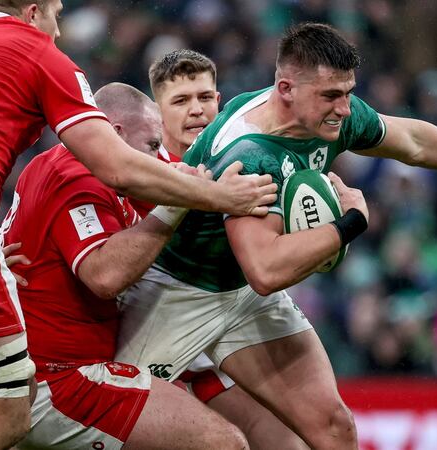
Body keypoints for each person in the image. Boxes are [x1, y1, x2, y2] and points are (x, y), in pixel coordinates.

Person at [0, 1, 275, 449]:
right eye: (56, 14)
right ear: (33, 12)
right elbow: (116, 167)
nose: (57, 31)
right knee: (4, 411)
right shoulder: (36, 52)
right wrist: (218, 196)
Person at [115, 23, 437, 450]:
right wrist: (350, 223)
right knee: (107, 430)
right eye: (331, 96)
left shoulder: (325, 116)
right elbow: (266, 270)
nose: (344, 108)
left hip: (240, 293)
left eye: (347, 93)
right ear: (286, 89)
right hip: (178, 292)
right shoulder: (250, 155)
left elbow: (412, 140)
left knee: (334, 427)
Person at [3, 82, 246, 449]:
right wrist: (176, 204)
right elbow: (104, 276)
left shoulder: (70, 163)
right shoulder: (75, 177)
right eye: (152, 145)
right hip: (63, 381)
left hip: (48, 372)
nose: (159, 156)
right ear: (115, 134)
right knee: (222, 443)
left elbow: (179, 177)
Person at [145, 49, 307, 450]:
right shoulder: (140, 173)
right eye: (180, 101)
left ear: (219, 101)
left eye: (205, 97)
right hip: (153, 338)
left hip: (223, 336)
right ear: (157, 111)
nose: (196, 110)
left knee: (290, 441)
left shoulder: (250, 162)